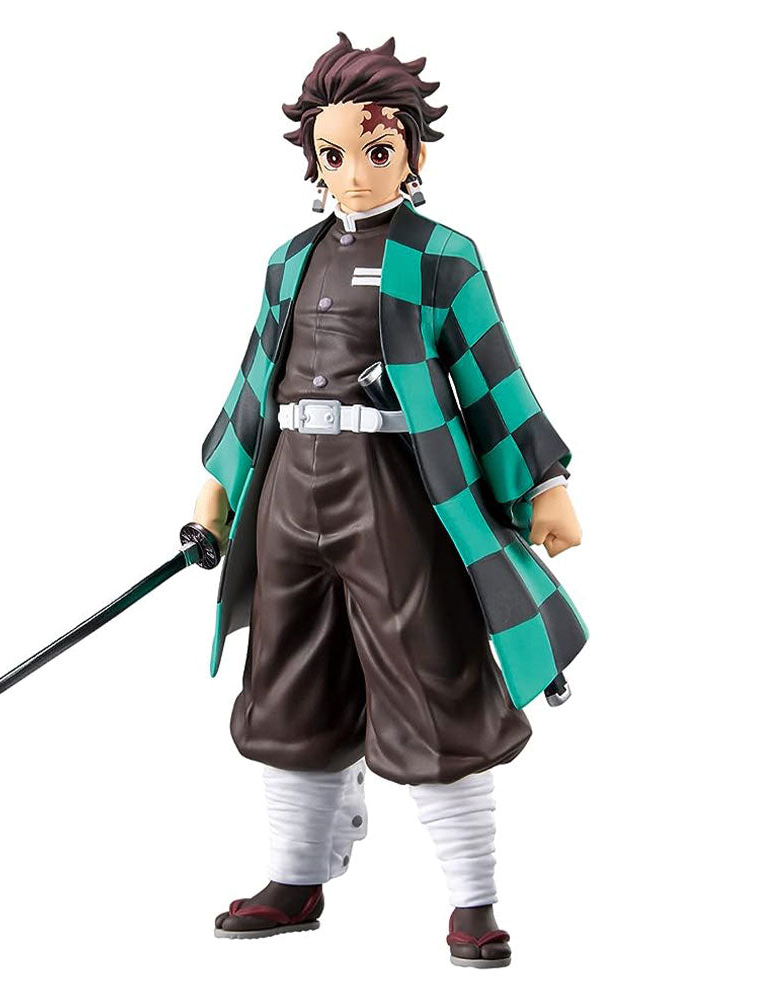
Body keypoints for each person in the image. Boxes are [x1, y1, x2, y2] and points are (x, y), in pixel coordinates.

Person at [193, 33, 585, 967]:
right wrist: (216, 491)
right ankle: (296, 878)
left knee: (433, 680)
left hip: (396, 499)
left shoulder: (440, 258)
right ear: (312, 161)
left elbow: (492, 374)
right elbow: (253, 381)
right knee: (288, 683)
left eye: (376, 150)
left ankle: (474, 899)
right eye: (334, 155)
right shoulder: (289, 261)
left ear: (411, 150)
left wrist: (545, 483)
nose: (355, 173)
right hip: (289, 496)